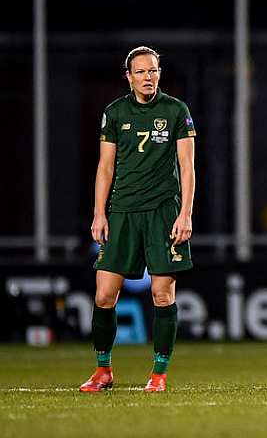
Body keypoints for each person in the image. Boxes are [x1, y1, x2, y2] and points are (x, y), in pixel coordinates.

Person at [79, 46, 196, 392]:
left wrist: (185, 212)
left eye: (154, 71)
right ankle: (103, 371)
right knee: (104, 295)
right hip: (123, 212)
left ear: (160, 73)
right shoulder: (114, 113)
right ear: (128, 77)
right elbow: (105, 167)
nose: (149, 77)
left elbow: (188, 167)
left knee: (162, 294)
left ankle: (158, 375)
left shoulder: (176, 111)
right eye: (141, 72)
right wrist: (99, 213)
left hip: (163, 212)